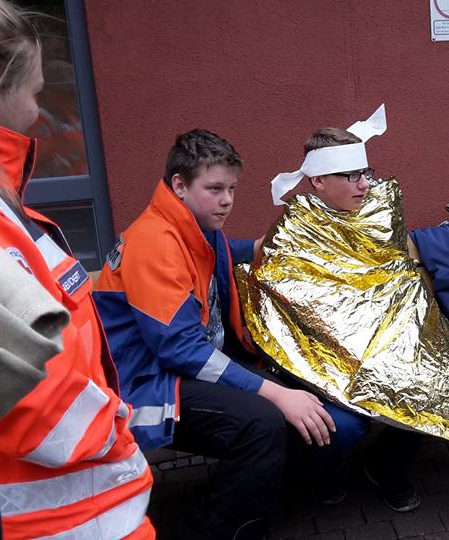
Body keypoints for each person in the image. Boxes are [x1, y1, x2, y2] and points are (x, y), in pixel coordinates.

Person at [93, 129, 369, 539]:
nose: (227, 200)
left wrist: (280, 239)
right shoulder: (156, 243)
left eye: (232, 189)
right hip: (148, 384)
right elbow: (181, 351)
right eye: (215, 188)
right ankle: (222, 527)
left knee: (322, 408)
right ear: (180, 186)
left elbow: (229, 252)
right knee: (262, 423)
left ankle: (268, 485)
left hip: (190, 363)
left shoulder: (194, 227)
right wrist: (276, 393)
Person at [0, 1, 155, 537]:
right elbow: (35, 397)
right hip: (68, 518)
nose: (38, 113)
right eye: (35, 93)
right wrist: (116, 427)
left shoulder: (9, 211)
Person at [277, 126, 423, 512]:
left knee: (435, 385)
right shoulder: (296, 231)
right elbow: (293, 311)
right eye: (352, 176)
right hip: (321, 358)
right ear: (319, 181)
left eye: (367, 173)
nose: (364, 184)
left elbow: (409, 284)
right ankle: (324, 473)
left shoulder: (380, 218)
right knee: (344, 426)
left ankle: (385, 466)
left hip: (385, 345)